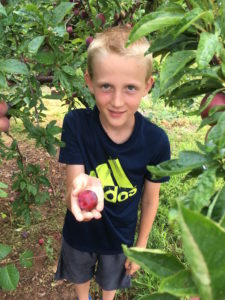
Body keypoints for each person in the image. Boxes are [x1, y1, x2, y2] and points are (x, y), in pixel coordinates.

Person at [55, 25, 170, 300]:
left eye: (130, 87)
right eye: (106, 86)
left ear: (147, 86)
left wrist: (140, 247)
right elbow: (75, 179)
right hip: (79, 233)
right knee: (79, 276)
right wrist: (79, 186)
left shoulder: (156, 141)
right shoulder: (76, 125)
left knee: (111, 283)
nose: (117, 101)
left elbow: (150, 200)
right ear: (90, 82)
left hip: (119, 239)